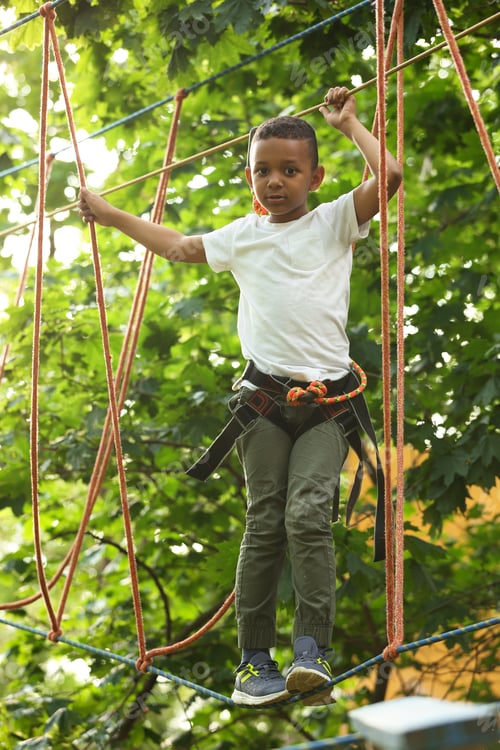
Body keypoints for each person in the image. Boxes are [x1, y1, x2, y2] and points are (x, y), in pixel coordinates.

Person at [79, 85, 402, 708]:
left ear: (315, 176)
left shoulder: (334, 221)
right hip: (262, 404)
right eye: (262, 170)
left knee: (308, 516)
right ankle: (255, 662)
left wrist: (348, 124)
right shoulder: (241, 236)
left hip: (327, 406)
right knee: (264, 522)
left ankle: (312, 653)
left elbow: (386, 175)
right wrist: (111, 213)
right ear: (248, 175)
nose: (275, 181)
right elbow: (178, 246)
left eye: (289, 170)